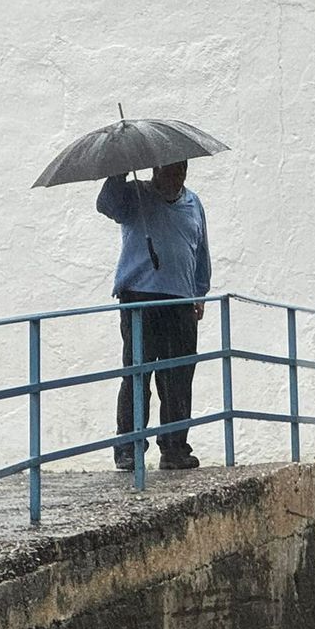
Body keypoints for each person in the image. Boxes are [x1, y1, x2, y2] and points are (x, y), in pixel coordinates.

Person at [97, 160, 211, 471]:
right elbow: (106, 205)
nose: (176, 177)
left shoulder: (193, 202)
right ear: (154, 171)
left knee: (178, 377)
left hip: (181, 300)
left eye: (180, 171)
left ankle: (174, 449)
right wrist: (119, 170)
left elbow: (200, 250)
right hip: (139, 297)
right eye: (169, 171)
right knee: (137, 373)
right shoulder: (135, 194)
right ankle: (129, 449)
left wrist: (200, 291)